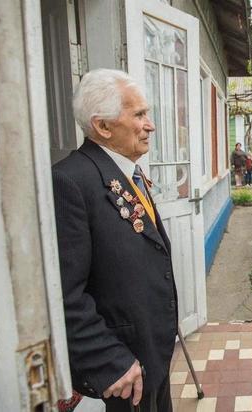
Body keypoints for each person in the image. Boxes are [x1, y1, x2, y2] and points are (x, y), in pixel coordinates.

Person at [52, 69, 177, 411]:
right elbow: (63, 292)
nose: (150, 125)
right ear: (103, 126)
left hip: (151, 353)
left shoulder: (126, 172)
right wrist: (109, 360)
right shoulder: (69, 182)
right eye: (139, 115)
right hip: (122, 373)